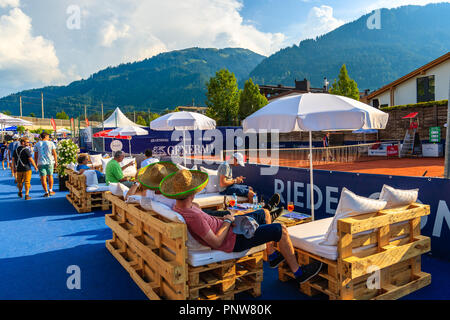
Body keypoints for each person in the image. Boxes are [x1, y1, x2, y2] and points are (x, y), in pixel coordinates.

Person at [160, 169, 323, 285]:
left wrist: (228, 216)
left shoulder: (181, 207)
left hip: (230, 228)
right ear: (193, 191)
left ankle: (272, 255)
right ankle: (299, 273)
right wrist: (228, 221)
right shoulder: (192, 214)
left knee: (263, 212)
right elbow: (216, 242)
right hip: (233, 240)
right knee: (281, 230)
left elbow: (208, 217)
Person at [34, 132, 58, 197]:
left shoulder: (37, 144)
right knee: (50, 176)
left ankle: (46, 191)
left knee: (43, 178)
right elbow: (54, 153)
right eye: (48, 136)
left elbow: (35, 155)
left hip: (41, 162)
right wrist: (56, 162)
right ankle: (50, 190)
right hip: (50, 162)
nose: (49, 137)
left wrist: (35, 164)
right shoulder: (51, 143)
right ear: (46, 136)